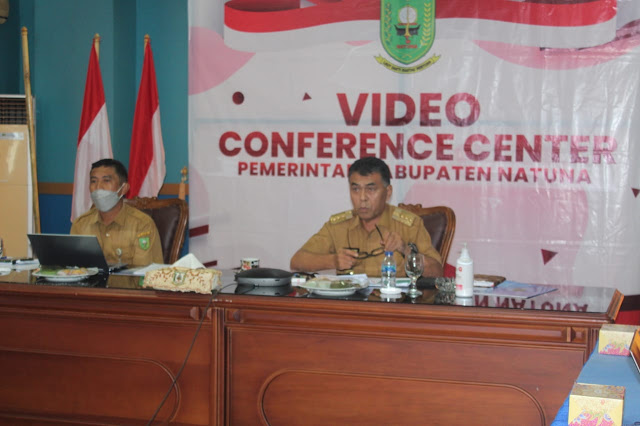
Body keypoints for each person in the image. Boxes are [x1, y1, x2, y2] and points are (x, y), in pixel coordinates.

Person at [290, 157, 443, 277]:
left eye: (371, 189)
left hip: (395, 308)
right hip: (350, 309)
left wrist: (405, 250)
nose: (362, 198)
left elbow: (437, 272)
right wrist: (333, 260)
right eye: (355, 189)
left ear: (388, 192)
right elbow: (297, 261)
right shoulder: (338, 226)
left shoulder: (409, 224)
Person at [71, 158, 163, 267]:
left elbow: (145, 275)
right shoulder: (80, 224)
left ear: (124, 188)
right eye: (93, 181)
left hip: (126, 285)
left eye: (106, 180)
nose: (98, 187)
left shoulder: (142, 225)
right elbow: (73, 270)